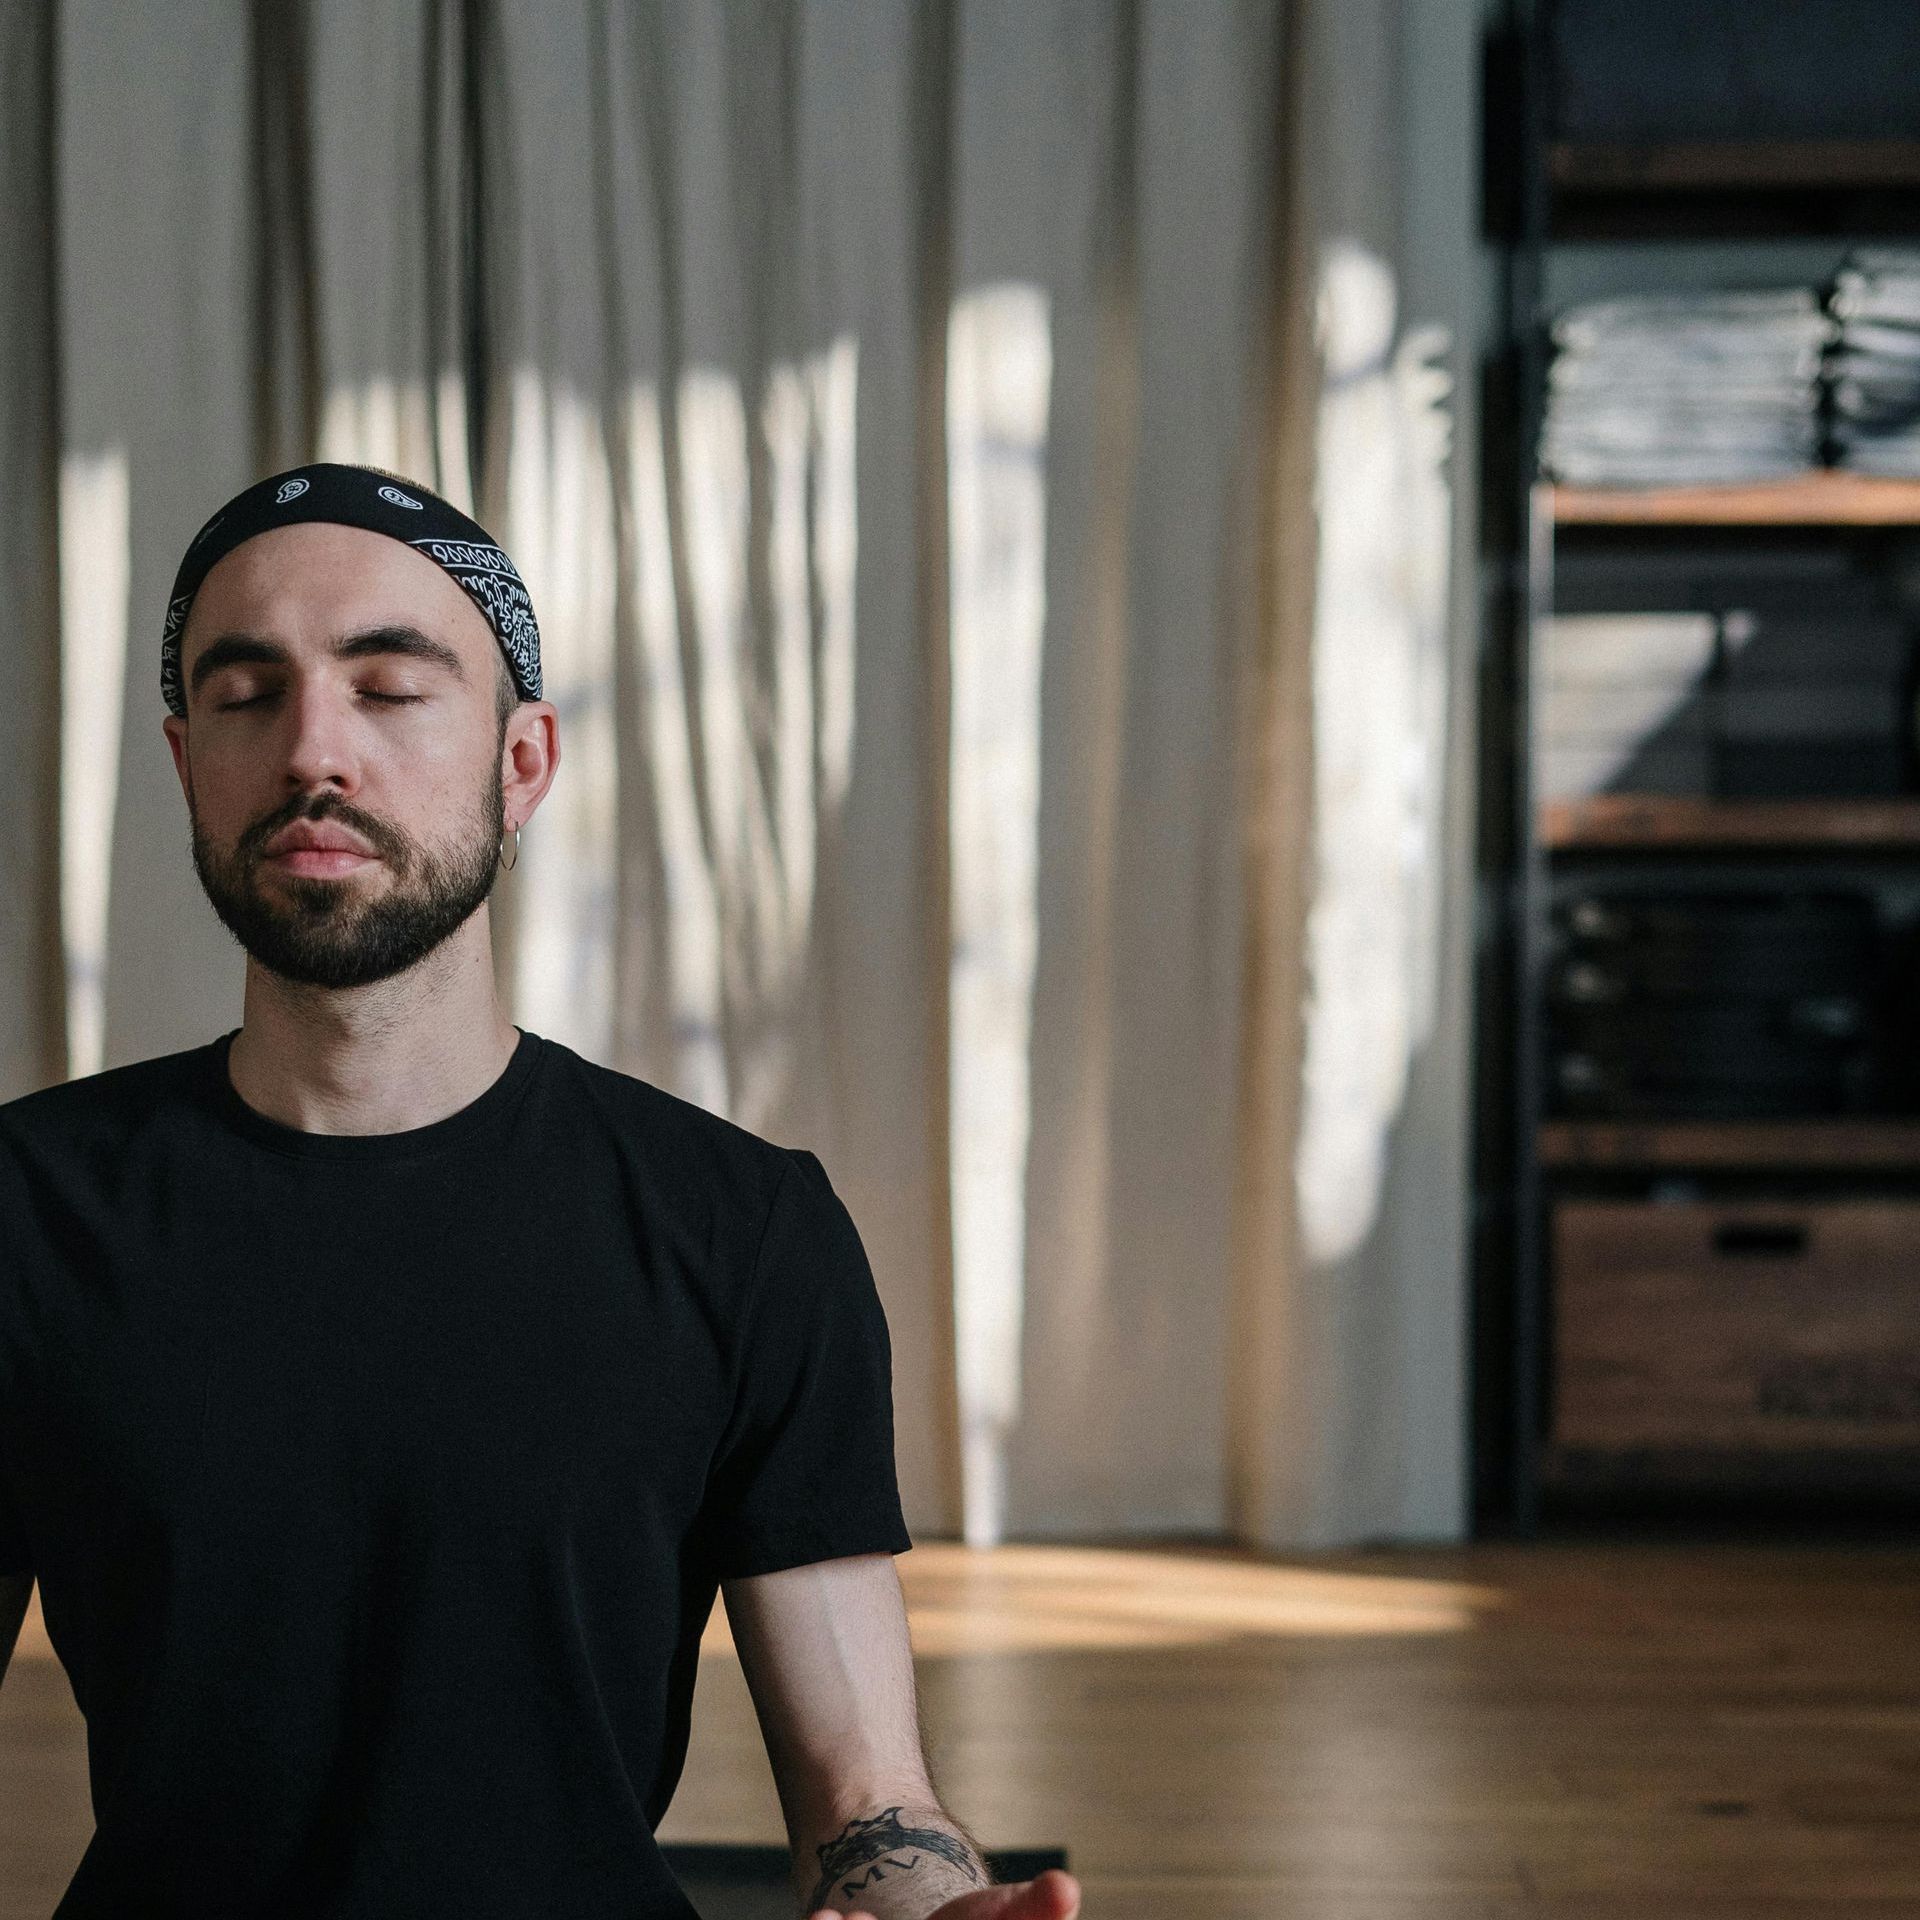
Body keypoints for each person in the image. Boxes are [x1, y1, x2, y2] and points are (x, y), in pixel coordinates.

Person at [0, 464, 1081, 1920]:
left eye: (391, 689)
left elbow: (868, 1798)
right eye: (249, 695)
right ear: (190, 763)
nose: (317, 749)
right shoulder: (26, 1214)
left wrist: (924, 1901)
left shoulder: (742, 1233)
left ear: (522, 765)